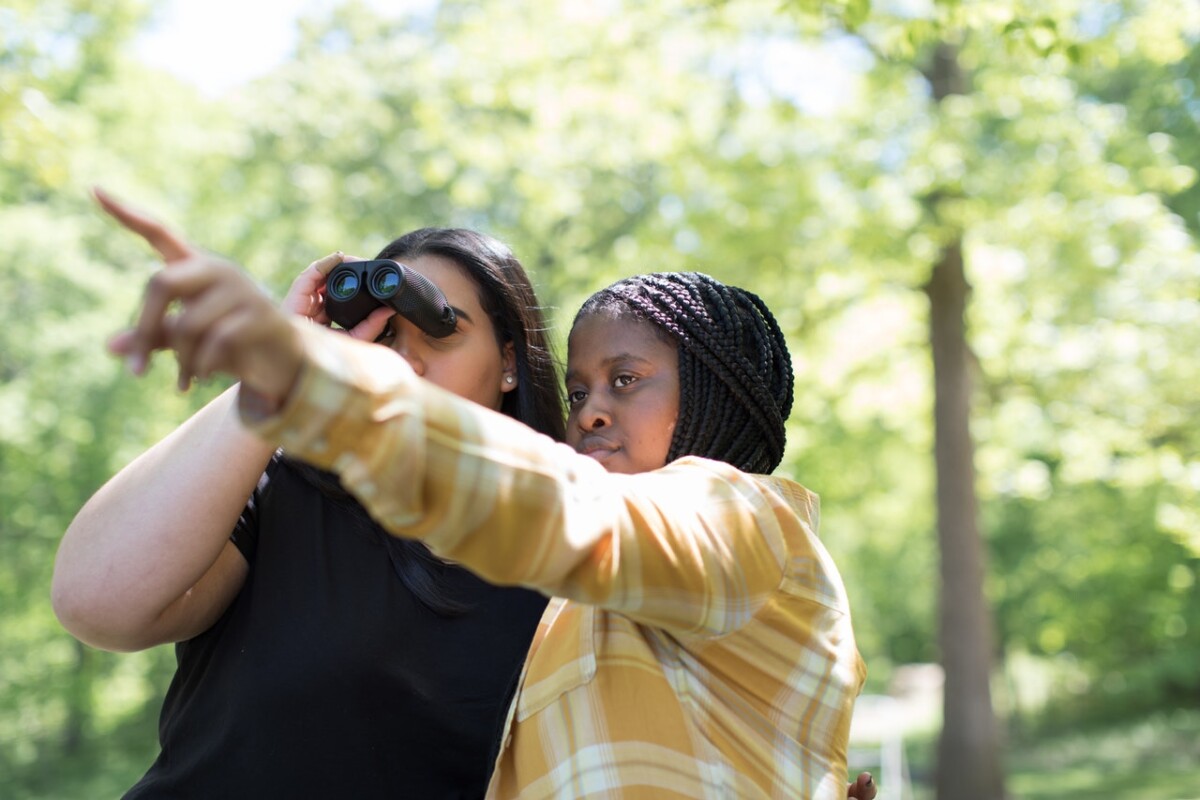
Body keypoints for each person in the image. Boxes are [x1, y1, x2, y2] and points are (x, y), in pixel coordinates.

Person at [97, 202, 869, 799]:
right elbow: (103, 601)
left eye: (626, 381)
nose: (592, 411)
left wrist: (320, 388)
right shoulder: (570, 619)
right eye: (579, 390)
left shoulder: (748, 519)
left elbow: (571, 520)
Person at [51, 190, 565, 798]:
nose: (407, 365)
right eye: (388, 336)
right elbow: (96, 602)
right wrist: (277, 375)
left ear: (510, 362)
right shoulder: (286, 491)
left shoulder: (568, 564)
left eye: (440, 331)